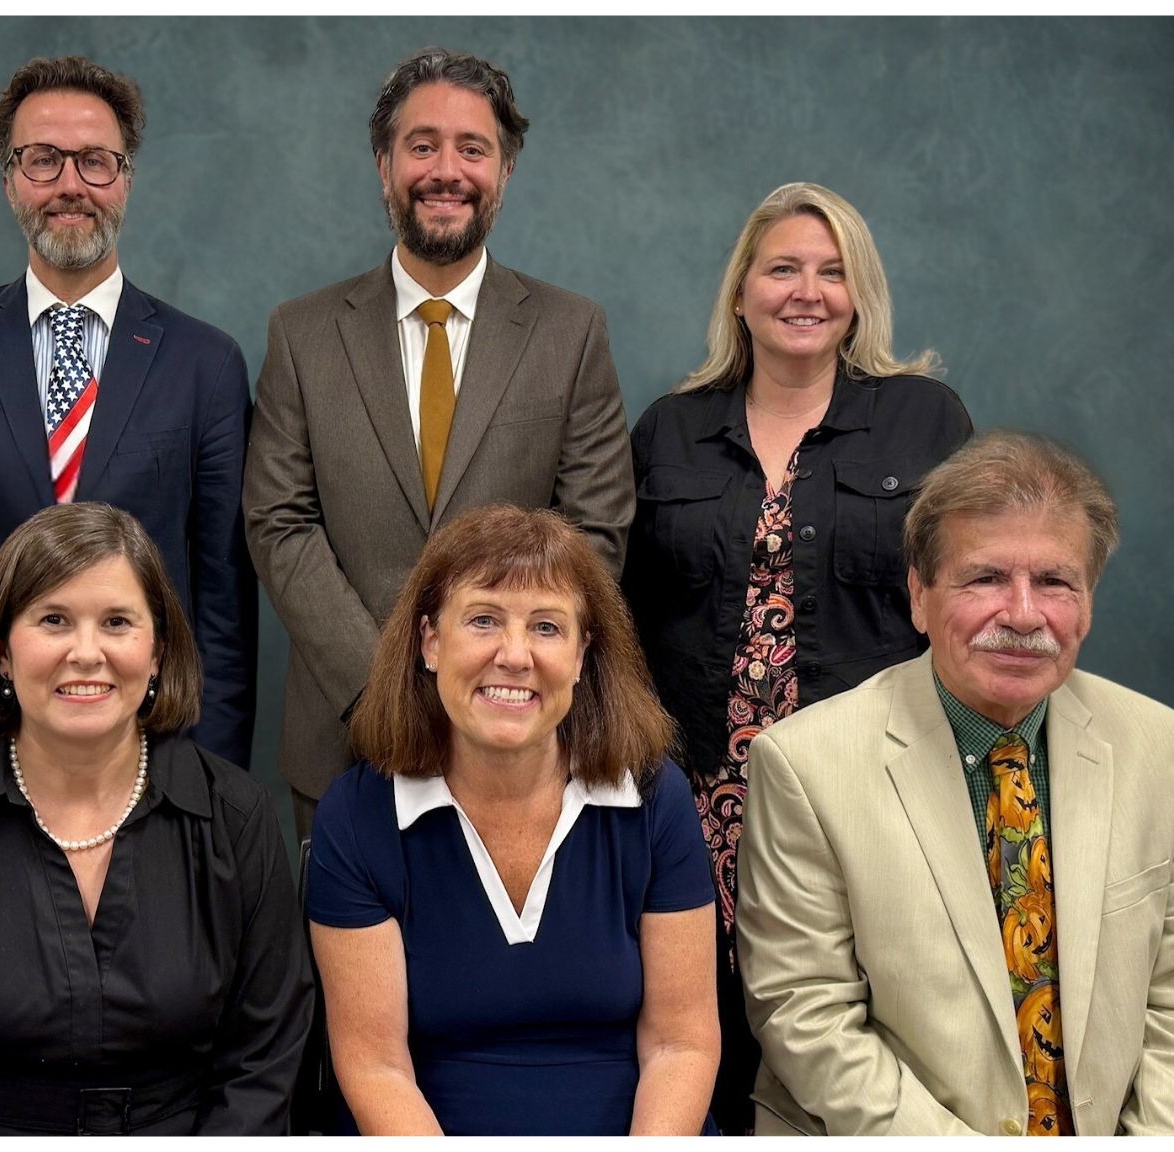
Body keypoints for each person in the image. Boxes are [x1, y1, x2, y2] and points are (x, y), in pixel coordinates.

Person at [621, 181, 972, 1132]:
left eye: (832, 271)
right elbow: (624, 616)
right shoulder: (669, 429)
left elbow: (964, 596)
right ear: (741, 291)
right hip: (697, 796)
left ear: (858, 297)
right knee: (711, 1036)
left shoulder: (923, 419)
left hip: (859, 790)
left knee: (850, 1028)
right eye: (782, 268)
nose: (806, 290)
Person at [738, 431, 1174, 1135]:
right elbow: (805, 1013)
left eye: (1054, 582)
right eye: (985, 578)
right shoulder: (806, 765)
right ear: (920, 596)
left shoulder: (1159, 748)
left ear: (1088, 601)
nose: (1022, 615)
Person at [245, 48, 633, 844]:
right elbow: (279, 523)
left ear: (507, 169)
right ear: (384, 165)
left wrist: (485, 674)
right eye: (422, 146)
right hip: (346, 742)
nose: (445, 170)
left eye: (472, 149)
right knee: (349, 970)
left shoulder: (570, 332)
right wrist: (383, 688)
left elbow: (595, 533)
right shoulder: (303, 333)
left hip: (515, 736)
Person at [0, 503, 310, 1134]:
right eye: (54, 620)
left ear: (158, 650)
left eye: (117, 622)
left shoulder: (235, 818)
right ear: (2, 651)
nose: (86, 653)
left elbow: (263, 1068)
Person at [0, 55, 254, 776]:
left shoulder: (206, 363)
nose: (71, 184)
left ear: (127, 178)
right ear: (10, 179)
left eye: (95, 162)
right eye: (43, 160)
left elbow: (223, 595)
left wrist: (216, 761)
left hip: (148, 731)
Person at [307, 503, 717, 1135]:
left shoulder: (654, 801)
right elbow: (375, 1065)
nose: (516, 655)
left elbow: (680, 1046)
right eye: (483, 620)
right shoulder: (358, 818)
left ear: (583, 657)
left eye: (547, 628)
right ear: (430, 642)